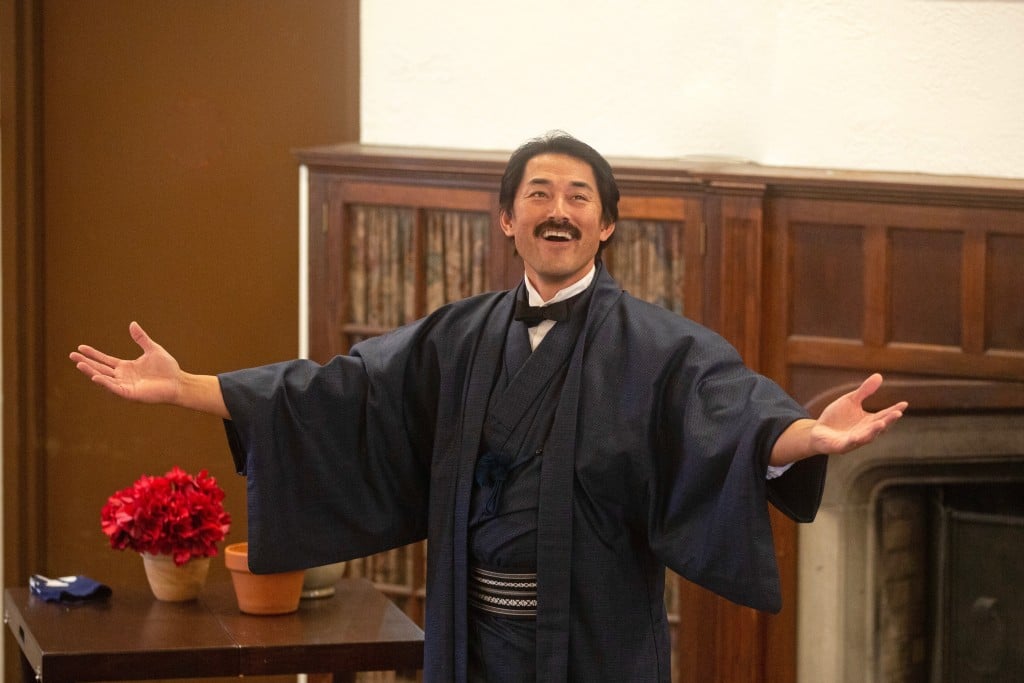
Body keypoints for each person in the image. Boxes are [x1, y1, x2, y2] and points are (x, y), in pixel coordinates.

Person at [71, 132, 907, 683]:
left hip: (596, 642)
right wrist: (187, 386)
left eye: (580, 196)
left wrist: (806, 435)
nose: (559, 210)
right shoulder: (457, 337)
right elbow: (341, 392)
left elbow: (733, 414)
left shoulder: (658, 346)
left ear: (607, 225)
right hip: (472, 638)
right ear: (508, 220)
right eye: (539, 194)